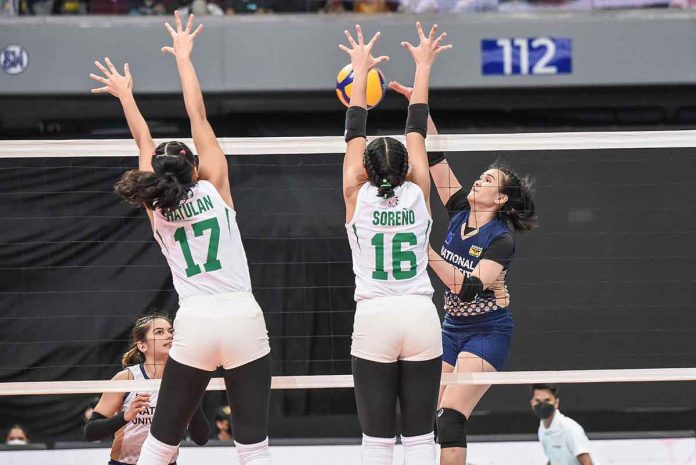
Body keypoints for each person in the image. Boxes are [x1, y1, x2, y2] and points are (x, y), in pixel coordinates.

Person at [89, 11, 272, 465]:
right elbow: (198, 115)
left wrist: (125, 96)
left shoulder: (155, 208)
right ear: (195, 168)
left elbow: (142, 137)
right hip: (242, 315)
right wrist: (184, 57)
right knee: (253, 448)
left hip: (196, 322)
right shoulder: (216, 188)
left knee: (160, 443)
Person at [390, 80, 537, 465]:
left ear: (500, 199)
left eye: (489, 180)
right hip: (450, 330)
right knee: (424, 414)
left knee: (451, 415)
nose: (480, 179)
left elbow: (468, 288)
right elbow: (435, 159)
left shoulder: (501, 240)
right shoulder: (459, 210)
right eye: (482, 175)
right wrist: (417, 104)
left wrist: (424, 250)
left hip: (487, 333)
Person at [339, 22, 451, 465]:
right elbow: (416, 125)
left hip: (375, 316)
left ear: (365, 168)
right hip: (420, 314)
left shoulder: (355, 192)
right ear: (406, 167)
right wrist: (423, 66)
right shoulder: (419, 189)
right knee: (422, 437)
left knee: (377, 441)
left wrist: (359, 73)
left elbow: (353, 132)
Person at [83, 314, 209, 463]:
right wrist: (126, 416)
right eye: (159, 332)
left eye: (170, 331)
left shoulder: (184, 380)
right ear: (142, 346)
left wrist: (191, 398)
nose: (169, 336)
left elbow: (201, 438)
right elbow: (91, 432)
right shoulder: (126, 378)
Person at [531, 384, 597, 465]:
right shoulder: (542, 429)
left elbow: (587, 463)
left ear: (556, 403)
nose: (542, 405)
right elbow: (554, 459)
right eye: (538, 401)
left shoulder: (570, 428)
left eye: (547, 400)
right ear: (532, 403)